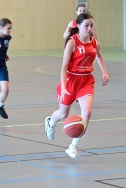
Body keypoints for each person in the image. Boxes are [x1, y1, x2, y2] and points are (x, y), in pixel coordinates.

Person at [45, 13, 109, 159]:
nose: (90, 28)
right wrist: (63, 86)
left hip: (86, 81)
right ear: (78, 26)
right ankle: (51, 122)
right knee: (63, 114)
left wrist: (104, 72)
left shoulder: (95, 43)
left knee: (86, 113)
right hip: (70, 80)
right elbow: (64, 66)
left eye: (92, 25)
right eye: (86, 25)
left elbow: (99, 55)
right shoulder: (72, 42)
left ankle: (73, 146)